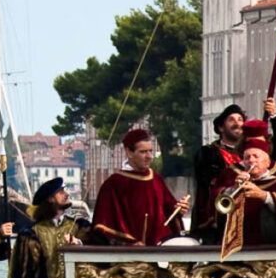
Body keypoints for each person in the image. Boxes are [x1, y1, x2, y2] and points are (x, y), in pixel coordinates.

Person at [93, 128, 189, 246]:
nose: (149, 156)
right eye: (143, 152)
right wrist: (129, 243)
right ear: (129, 152)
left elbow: (169, 214)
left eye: (150, 151)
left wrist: (178, 210)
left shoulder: (156, 179)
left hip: (160, 252)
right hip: (130, 256)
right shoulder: (114, 184)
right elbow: (103, 225)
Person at [192, 104, 245, 240]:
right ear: (221, 127)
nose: (237, 123)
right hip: (214, 217)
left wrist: (274, 116)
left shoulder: (251, 154)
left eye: (240, 119)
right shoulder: (207, 152)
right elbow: (207, 182)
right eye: (231, 120)